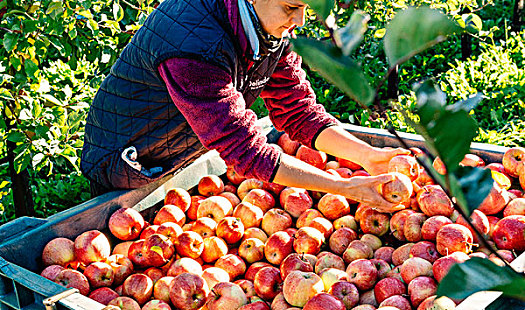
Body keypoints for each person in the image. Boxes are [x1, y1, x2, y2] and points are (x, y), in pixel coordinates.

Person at [81, 0, 409, 211]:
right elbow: (246, 150)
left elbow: (299, 111)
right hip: (130, 162)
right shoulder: (191, 46)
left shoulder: (266, 28)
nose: (299, 20)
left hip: (183, 150)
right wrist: (343, 186)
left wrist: (368, 155)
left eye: (305, 8)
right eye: (290, 8)